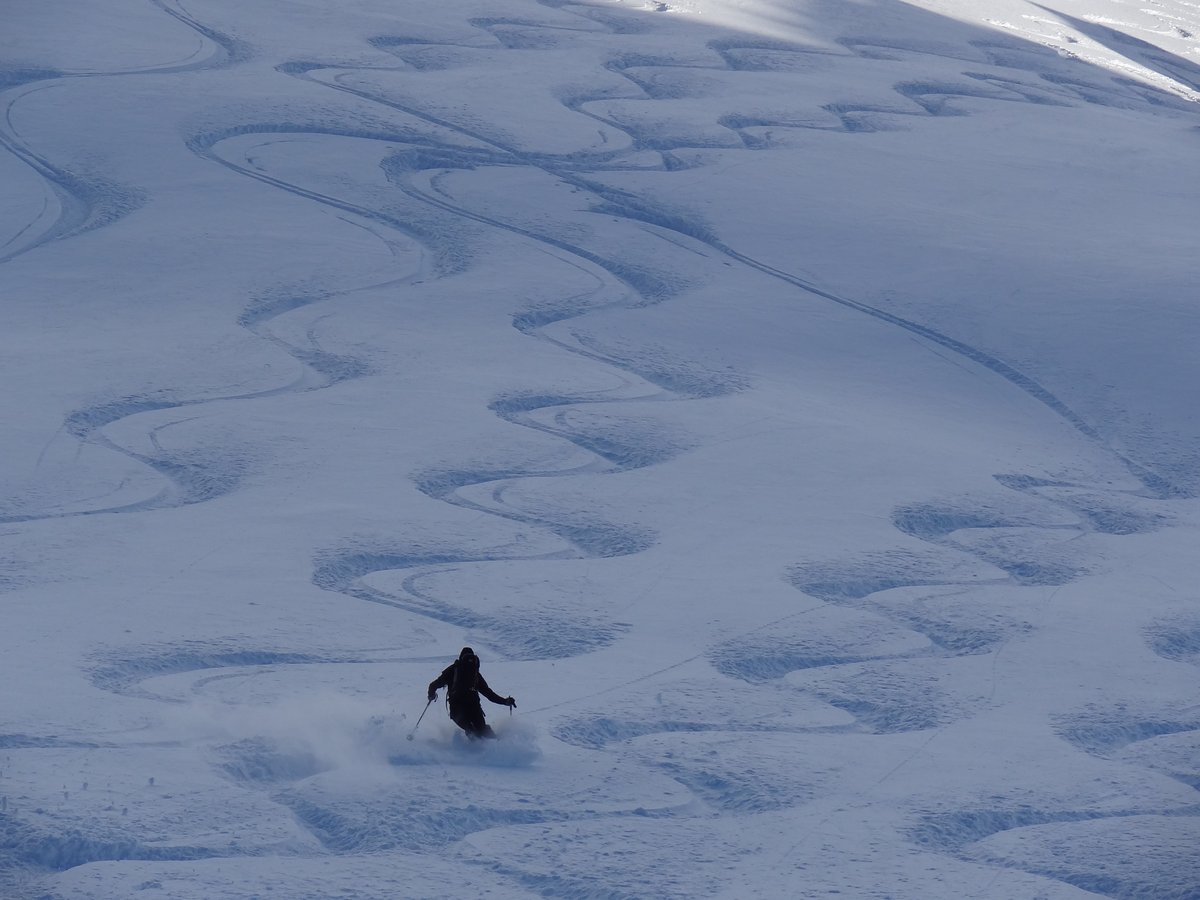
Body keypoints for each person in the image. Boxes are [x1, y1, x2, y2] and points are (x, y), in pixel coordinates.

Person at [427, 647, 515, 739]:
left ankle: (470, 750)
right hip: (474, 706)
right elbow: (489, 694)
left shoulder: (453, 670)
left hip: (457, 707)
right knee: (482, 730)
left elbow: (433, 685)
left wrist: (431, 695)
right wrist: (505, 701)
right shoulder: (475, 674)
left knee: (470, 730)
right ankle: (498, 745)